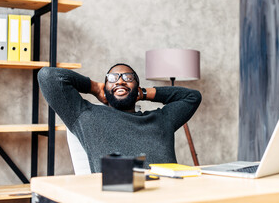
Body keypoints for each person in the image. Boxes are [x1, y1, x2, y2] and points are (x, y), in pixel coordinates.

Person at [38, 63, 201, 173]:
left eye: (128, 78)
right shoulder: (86, 116)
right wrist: (94, 87)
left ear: (137, 88)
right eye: (112, 78)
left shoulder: (161, 119)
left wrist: (144, 93)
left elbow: (192, 97)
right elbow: (48, 76)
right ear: (105, 88)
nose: (120, 81)